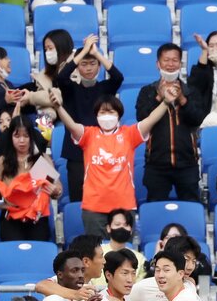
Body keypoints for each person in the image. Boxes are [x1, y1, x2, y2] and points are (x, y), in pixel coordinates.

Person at [52, 89, 172, 235]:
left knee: (121, 255)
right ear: (96, 116)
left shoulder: (129, 134)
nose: (107, 116)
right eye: (103, 112)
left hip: (124, 207)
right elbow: (71, 124)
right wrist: (58, 107)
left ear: (119, 116)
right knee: (97, 254)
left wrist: (166, 102)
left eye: (112, 112)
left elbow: (151, 119)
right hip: (94, 208)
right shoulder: (88, 135)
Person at [53, 34, 123, 201]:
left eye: (93, 64)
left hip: (102, 150)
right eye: (84, 64)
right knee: (79, 198)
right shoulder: (71, 89)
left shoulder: (105, 88)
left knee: (103, 197)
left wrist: (97, 53)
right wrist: (83, 52)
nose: (89, 68)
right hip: (76, 152)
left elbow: (118, 77)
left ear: (99, 66)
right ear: (78, 67)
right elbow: (61, 77)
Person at [136, 44, 206, 202]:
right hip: (156, 164)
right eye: (166, 60)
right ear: (157, 64)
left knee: (190, 206)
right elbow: (142, 119)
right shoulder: (147, 91)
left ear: (180, 64)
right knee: (155, 206)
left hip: (188, 163)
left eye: (175, 60)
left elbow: (197, 118)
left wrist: (182, 100)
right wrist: (159, 98)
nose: (170, 64)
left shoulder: (191, 91)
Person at [0, 115, 60, 242]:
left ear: (31, 137)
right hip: (11, 218)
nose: (22, 141)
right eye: (17, 136)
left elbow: (58, 188)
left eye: (26, 136)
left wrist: (55, 191)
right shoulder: (2, 161)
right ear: (11, 138)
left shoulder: (39, 160)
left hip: (37, 217)